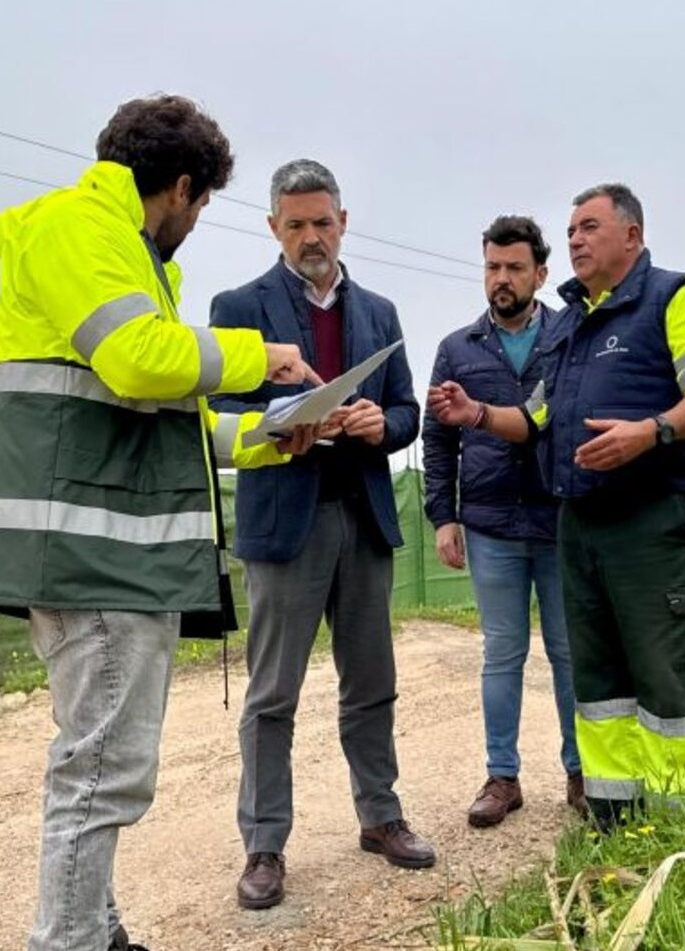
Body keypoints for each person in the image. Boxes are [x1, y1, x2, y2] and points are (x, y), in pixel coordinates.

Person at [0, 96, 321, 951]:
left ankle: (95, 927)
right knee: (101, 769)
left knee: (98, 759)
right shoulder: (79, 227)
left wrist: (270, 437)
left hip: (100, 548)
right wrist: (262, 355)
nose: (194, 221)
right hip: (89, 554)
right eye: (201, 204)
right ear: (181, 186)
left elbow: (153, 425)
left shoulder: (119, 255)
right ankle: (69, 940)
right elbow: (140, 362)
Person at [427, 183, 685, 832]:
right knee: (599, 684)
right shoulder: (571, 325)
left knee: (659, 676)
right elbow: (536, 417)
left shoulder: (674, 297)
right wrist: (476, 413)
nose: (575, 239)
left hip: (652, 522)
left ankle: (679, 824)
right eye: (571, 229)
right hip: (581, 527)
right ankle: (613, 818)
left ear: (632, 234)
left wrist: (650, 431)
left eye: (589, 226)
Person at [207, 159, 430, 910]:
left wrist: (379, 424)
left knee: (372, 683)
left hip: (362, 516)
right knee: (273, 695)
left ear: (343, 222)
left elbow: (408, 413)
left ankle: (381, 815)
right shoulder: (237, 305)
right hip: (286, 523)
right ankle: (264, 845)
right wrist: (282, 427)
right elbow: (223, 412)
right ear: (273, 226)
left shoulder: (380, 311)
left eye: (322, 222)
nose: (311, 236)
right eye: (296, 223)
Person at [422, 215, 583, 828]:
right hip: (489, 523)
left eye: (515, 267)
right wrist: (443, 516)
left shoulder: (568, 336)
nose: (502, 279)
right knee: (502, 652)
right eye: (493, 267)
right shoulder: (457, 349)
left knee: (570, 651)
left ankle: (580, 771)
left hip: (559, 517)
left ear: (541, 274)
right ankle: (501, 776)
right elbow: (438, 440)